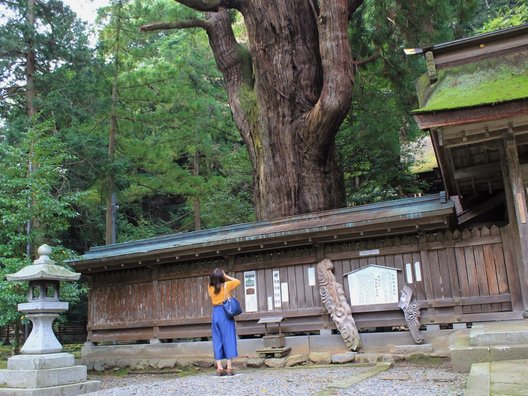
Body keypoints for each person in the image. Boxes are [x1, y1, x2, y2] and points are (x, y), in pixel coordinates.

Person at [208, 268, 241, 376]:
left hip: (215, 314)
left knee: (217, 340)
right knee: (228, 338)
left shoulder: (210, 287)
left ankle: (219, 368)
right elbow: (237, 281)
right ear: (221, 277)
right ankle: (229, 368)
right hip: (225, 313)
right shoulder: (226, 286)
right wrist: (226, 276)